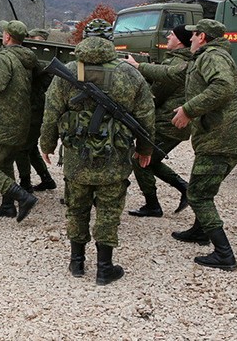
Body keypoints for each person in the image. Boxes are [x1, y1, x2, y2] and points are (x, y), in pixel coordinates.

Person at [40, 18, 155, 285]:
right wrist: (145, 148)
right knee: (109, 210)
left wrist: (46, 144)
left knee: (76, 208)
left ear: (85, 38)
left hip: (76, 157)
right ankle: (105, 268)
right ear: (110, 40)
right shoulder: (129, 73)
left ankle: (76, 263)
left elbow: (52, 112)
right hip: (113, 158)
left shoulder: (70, 71)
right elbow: (146, 115)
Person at [170, 19, 237, 271]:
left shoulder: (212, 56)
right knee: (202, 186)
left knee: (198, 194)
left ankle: (224, 254)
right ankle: (199, 231)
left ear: (202, 37)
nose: (190, 39)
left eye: (193, 35)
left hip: (222, 139)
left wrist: (188, 109)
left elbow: (223, 86)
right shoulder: (208, 56)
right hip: (222, 137)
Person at [124, 25, 193, 217]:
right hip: (173, 123)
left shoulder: (175, 63)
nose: (168, 37)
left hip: (167, 123)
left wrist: (138, 72)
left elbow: (155, 96)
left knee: (141, 160)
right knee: (151, 160)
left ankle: (153, 205)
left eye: (171, 34)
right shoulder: (185, 61)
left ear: (179, 40)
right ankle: (183, 189)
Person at [0, 20, 39, 222]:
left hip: (2, 124)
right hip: (20, 122)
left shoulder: (4, 58)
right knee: (5, 163)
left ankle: (22, 197)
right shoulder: (27, 58)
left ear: (7, 37)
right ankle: (7, 205)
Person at [12, 29, 57, 192]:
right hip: (32, 107)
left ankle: (25, 183)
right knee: (30, 147)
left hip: (35, 109)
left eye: (34, 39)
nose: (31, 42)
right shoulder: (40, 58)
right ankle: (47, 179)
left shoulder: (44, 61)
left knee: (22, 147)